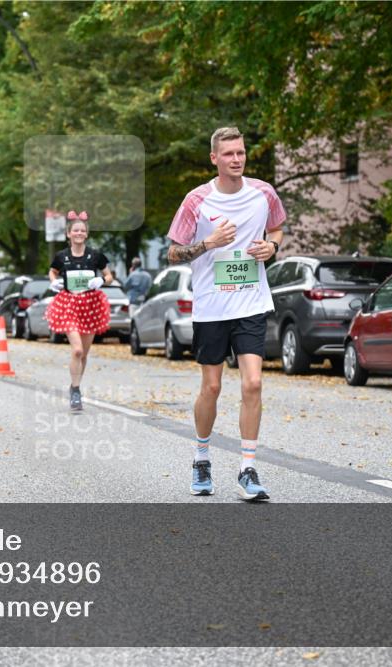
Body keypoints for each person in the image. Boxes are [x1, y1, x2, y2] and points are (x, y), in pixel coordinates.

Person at [166, 126, 286, 501]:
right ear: (214, 158)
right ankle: (201, 458)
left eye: (241, 152)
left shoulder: (263, 192)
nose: (237, 159)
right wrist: (208, 243)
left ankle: (247, 468)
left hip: (251, 303)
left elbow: (278, 228)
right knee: (212, 387)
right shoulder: (196, 200)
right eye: (229, 153)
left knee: (253, 383)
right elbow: (173, 252)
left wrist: (271, 247)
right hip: (212, 308)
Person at [45, 210, 114, 411]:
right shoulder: (61, 256)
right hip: (69, 304)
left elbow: (109, 276)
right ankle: (75, 390)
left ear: (86, 233)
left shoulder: (95, 255)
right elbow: (52, 271)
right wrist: (53, 282)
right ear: (69, 234)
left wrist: (101, 280)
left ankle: (76, 385)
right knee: (76, 350)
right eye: (75, 230)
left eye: (82, 230)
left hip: (90, 305)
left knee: (83, 354)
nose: (79, 233)